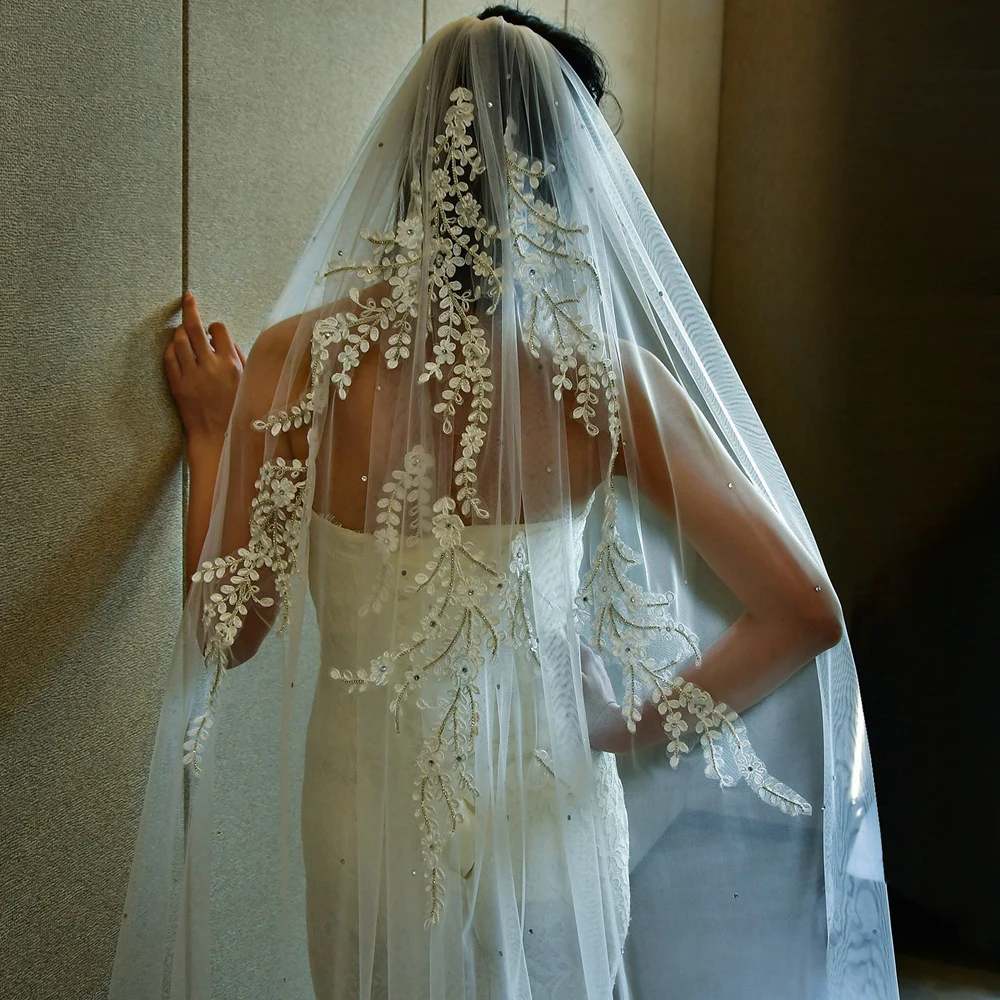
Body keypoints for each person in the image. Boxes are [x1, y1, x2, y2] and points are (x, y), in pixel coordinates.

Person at [110, 9, 899, 999]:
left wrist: (217, 439)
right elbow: (803, 611)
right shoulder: (602, 382)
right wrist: (622, 727)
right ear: (566, 177)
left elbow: (231, 632)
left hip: (364, 820)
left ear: (410, 157)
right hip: (546, 810)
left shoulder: (300, 359)